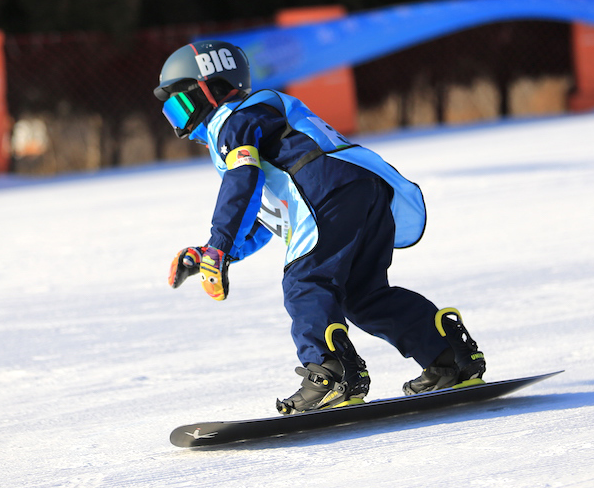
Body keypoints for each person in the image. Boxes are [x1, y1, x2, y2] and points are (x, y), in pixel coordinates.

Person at [157, 39, 486, 414]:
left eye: (180, 106)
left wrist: (220, 244)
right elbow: (270, 220)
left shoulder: (233, 120)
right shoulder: (263, 120)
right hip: (362, 190)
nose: (180, 123)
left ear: (212, 88)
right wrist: (213, 252)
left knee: (306, 284)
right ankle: (448, 357)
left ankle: (331, 375)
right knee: (363, 296)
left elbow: (242, 179)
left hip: (326, 193)